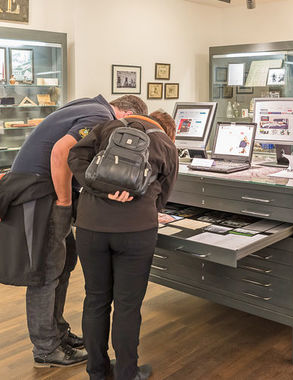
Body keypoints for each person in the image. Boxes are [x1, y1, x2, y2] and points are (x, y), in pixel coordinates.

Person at [6, 94, 147, 368]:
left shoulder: (88, 105)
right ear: (124, 114)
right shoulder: (101, 117)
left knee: (65, 261)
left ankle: (57, 333)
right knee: (46, 272)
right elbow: (61, 152)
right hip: (39, 192)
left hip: (38, 188)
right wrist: (65, 202)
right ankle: (46, 348)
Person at [68, 111, 179, 380]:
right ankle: (127, 374)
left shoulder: (106, 127)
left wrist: (100, 188)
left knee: (96, 299)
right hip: (135, 230)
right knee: (128, 306)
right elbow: (165, 193)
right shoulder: (166, 144)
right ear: (168, 129)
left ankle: (97, 372)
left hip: (91, 226)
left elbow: (74, 157)